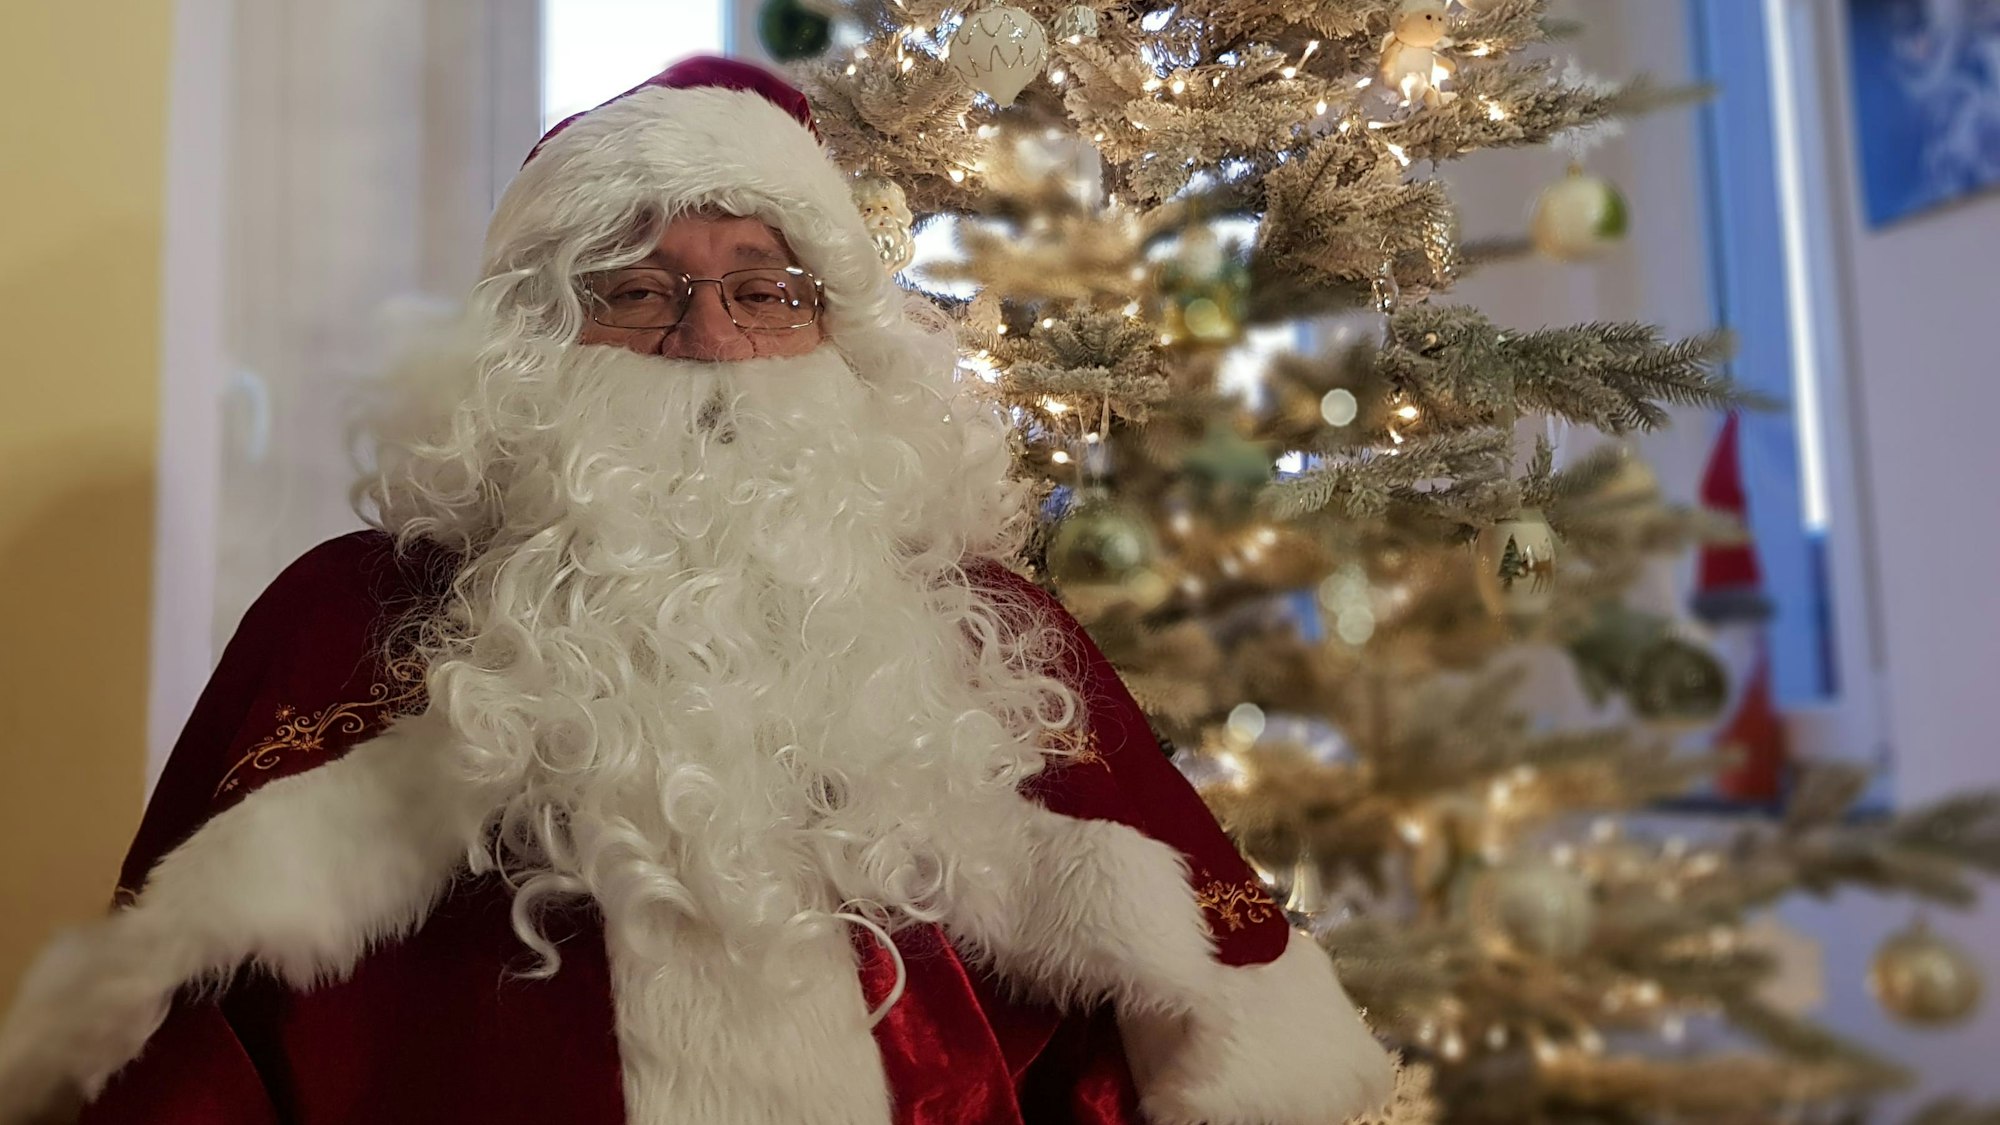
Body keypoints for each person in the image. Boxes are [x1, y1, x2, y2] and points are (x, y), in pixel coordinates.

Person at [0, 56, 1392, 1125]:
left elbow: (1210, 1032)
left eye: (766, 289)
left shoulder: (991, 632)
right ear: (534, 341)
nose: (710, 342)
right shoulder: (344, 618)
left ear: (837, 338)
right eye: (640, 291)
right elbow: (166, 1045)